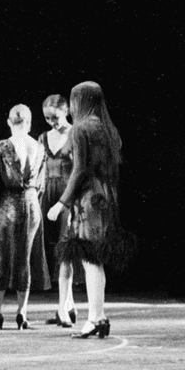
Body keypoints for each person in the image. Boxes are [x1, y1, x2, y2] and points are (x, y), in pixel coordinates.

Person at [48, 81, 130, 339]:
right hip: (106, 196)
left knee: (90, 260)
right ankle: (99, 315)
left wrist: (61, 202)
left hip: (88, 199)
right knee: (95, 261)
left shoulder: (81, 128)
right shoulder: (108, 129)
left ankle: (95, 317)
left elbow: (80, 169)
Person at [0, 105, 48, 329]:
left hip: (8, 204)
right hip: (31, 205)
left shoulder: (1, 146)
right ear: (29, 123)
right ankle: (22, 313)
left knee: (0, 257)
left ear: (9, 122)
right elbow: (41, 184)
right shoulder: (38, 146)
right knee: (24, 259)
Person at [38, 93, 77, 326]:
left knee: (65, 252)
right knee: (54, 252)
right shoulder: (43, 137)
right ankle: (69, 305)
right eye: (47, 118)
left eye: (55, 117)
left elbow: (79, 172)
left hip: (66, 197)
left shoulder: (75, 134)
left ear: (66, 111)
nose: (52, 122)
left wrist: (69, 203)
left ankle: (62, 308)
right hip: (46, 197)